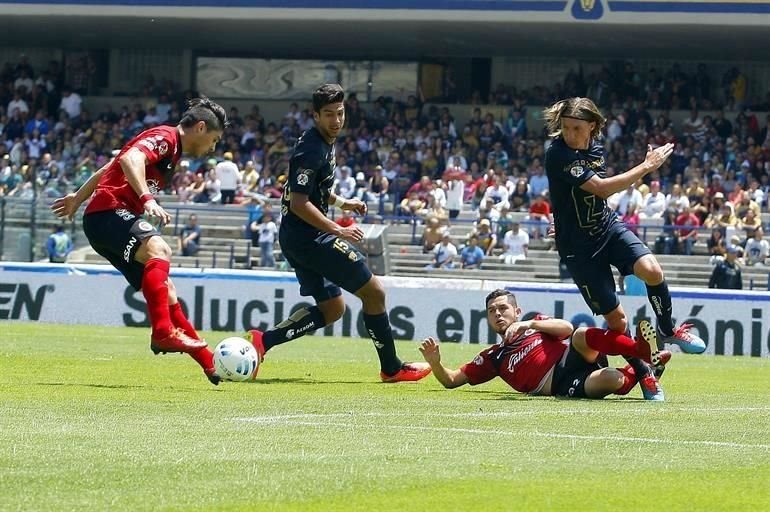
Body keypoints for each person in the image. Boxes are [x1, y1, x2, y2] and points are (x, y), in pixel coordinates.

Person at [245, 84, 431, 383]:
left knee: (332, 309)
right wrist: (337, 229)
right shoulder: (312, 148)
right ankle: (392, 368)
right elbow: (299, 202)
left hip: (297, 237)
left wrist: (343, 203)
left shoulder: (321, 141)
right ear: (315, 115)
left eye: (340, 113)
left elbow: (312, 189)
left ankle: (262, 342)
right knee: (374, 293)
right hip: (310, 238)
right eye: (329, 114)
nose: (336, 120)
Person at [51, 97, 227, 385]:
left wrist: (76, 197)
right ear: (200, 127)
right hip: (109, 212)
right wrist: (147, 199)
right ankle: (162, 333)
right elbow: (130, 159)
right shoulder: (167, 138)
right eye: (215, 140)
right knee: (160, 248)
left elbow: (112, 164)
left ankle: (210, 365)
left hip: (102, 220)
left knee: (167, 290)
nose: (213, 147)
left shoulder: (171, 149)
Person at [543, 97, 706, 364]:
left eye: (576, 128)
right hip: (579, 249)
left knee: (652, 271)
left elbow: (581, 196)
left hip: (606, 227)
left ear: (592, 126)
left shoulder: (595, 149)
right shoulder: (559, 153)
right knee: (617, 323)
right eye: (566, 128)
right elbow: (602, 188)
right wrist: (647, 166)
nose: (570, 135)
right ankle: (645, 372)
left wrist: (564, 217)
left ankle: (667, 330)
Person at [419, 289, 669, 400]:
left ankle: (640, 352)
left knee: (582, 333)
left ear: (517, 311)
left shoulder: (536, 324)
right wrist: (436, 363)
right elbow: (451, 380)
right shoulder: (493, 357)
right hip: (560, 384)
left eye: (503, 308)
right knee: (613, 379)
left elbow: (567, 329)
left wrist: (529, 325)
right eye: (492, 311)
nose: (497, 314)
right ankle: (649, 368)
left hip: (571, 357)